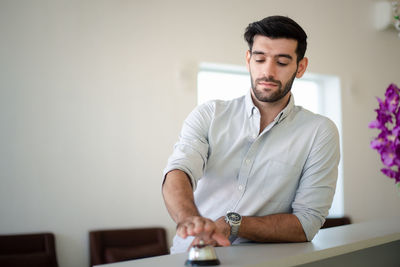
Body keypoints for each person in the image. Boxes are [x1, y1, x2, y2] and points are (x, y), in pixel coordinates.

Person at [162, 15, 340, 254]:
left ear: (301, 67)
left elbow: (306, 223)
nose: (268, 71)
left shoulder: (319, 132)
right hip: (190, 255)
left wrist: (233, 225)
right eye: (260, 59)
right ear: (248, 60)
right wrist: (188, 217)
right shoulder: (210, 114)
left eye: (282, 62)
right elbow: (178, 171)